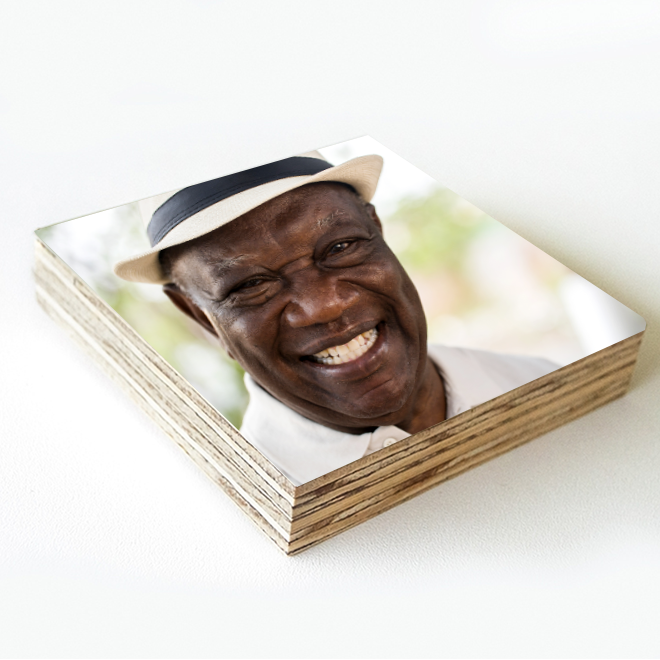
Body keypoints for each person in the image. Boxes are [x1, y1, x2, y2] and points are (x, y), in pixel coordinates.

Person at [114, 150, 557, 485]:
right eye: (250, 285)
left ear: (377, 230)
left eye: (340, 248)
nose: (326, 306)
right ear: (200, 317)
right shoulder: (251, 509)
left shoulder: (542, 384)